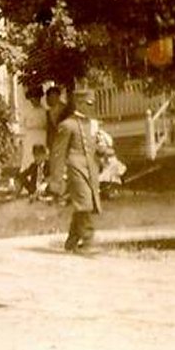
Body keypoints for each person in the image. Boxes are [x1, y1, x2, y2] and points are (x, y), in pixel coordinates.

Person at [50, 88, 103, 253]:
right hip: (75, 167)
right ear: (79, 103)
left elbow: (95, 147)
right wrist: (56, 180)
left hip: (90, 168)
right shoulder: (67, 125)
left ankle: (72, 240)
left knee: (86, 203)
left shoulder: (92, 124)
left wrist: (102, 150)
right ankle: (88, 240)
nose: (91, 107)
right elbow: (58, 154)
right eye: (88, 103)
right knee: (84, 202)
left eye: (92, 103)